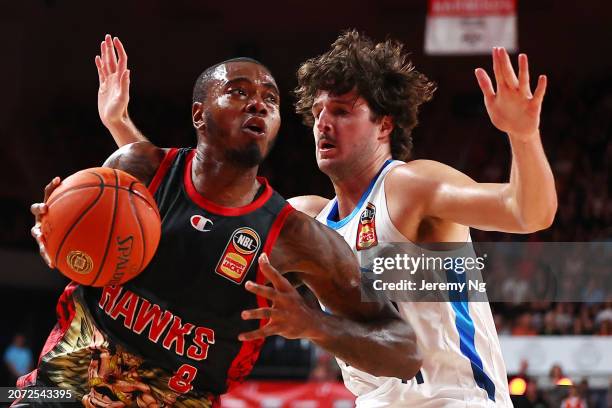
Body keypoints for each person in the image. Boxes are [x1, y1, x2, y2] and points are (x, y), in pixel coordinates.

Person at [96, 31, 557, 406]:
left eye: (341, 111)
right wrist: (120, 123)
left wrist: (523, 134)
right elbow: (196, 202)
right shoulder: (307, 220)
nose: (322, 123)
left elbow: (527, 211)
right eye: (317, 112)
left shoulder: (411, 187)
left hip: (456, 400)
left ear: (384, 125)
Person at [20, 34, 421, 407]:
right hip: (60, 390)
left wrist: (314, 324)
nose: (258, 104)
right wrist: (55, 234)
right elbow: (77, 251)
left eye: (271, 99)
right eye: (238, 92)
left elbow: (405, 353)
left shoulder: (294, 236)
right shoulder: (139, 168)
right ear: (200, 114)